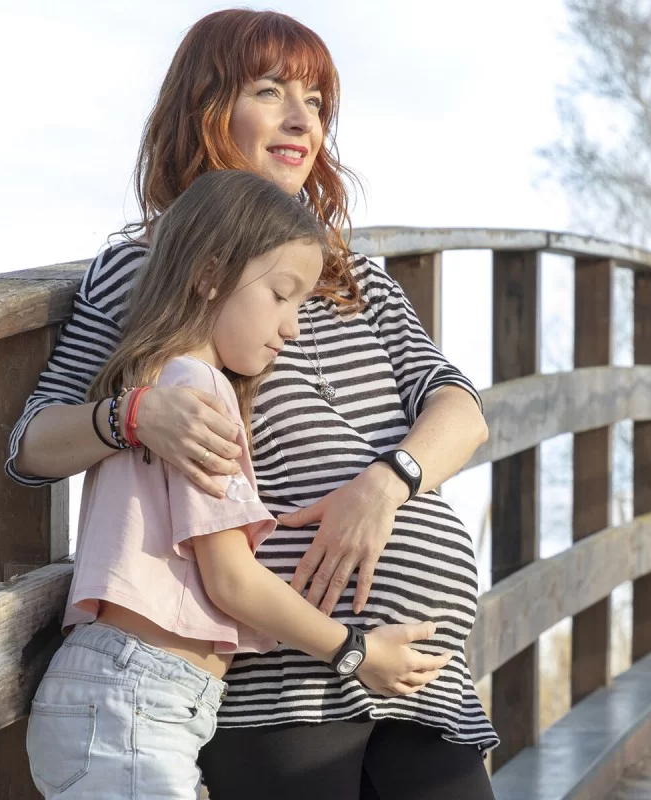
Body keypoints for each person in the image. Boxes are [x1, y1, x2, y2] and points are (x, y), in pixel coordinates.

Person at [8, 9, 498, 799]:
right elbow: (33, 441)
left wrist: (385, 486)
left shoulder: (355, 277)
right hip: (284, 694)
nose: (302, 119)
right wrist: (129, 418)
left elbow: (462, 410)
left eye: (316, 100)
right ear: (207, 109)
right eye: (271, 91)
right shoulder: (145, 269)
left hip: (420, 679)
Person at [25, 169, 449, 800]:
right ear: (210, 274)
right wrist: (356, 652)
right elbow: (229, 578)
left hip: (136, 701)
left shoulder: (156, 381)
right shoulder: (195, 393)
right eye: (282, 295)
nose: (295, 327)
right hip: (135, 701)